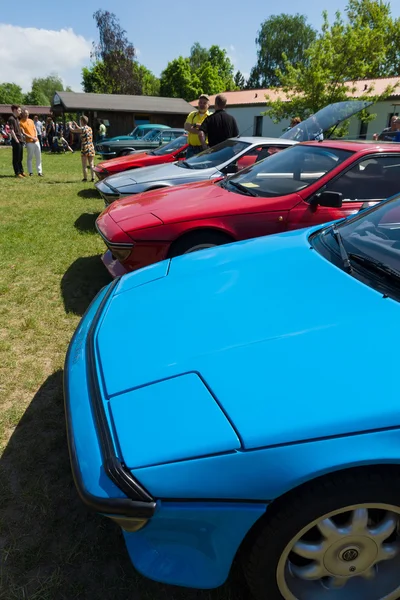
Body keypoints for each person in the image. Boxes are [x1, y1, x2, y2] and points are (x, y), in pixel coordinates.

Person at [69, 116, 95, 181]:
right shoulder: (89, 128)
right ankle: (93, 178)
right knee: (91, 164)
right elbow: (81, 129)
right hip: (91, 146)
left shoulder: (82, 129)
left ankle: (85, 178)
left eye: (80, 120)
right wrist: (76, 125)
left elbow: (73, 130)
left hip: (85, 147)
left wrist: (69, 125)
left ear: (82, 121)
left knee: (84, 165)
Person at [184, 94, 211, 158]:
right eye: (200, 102)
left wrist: (195, 125)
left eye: (204, 103)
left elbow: (209, 129)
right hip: (191, 148)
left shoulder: (211, 116)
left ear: (208, 105)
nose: (202, 105)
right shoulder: (192, 114)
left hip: (203, 148)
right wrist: (201, 131)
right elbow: (186, 126)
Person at [20, 109, 43, 177]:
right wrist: (32, 138)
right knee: (30, 157)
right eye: (25, 113)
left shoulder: (31, 121)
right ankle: (31, 172)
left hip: (36, 141)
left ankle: (40, 172)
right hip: (29, 142)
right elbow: (23, 133)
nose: (26, 115)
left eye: (27, 113)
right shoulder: (21, 122)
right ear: (22, 114)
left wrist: (35, 136)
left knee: (38, 157)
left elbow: (35, 129)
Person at [8, 104, 25, 178]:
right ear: (14, 110)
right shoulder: (11, 118)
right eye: (19, 110)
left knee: (20, 157)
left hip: (20, 139)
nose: (20, 112)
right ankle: (17, 172)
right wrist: (16, 140)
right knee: (16, 157)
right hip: (16, 140)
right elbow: (11, 130)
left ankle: (21, 171)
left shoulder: (17, 119)